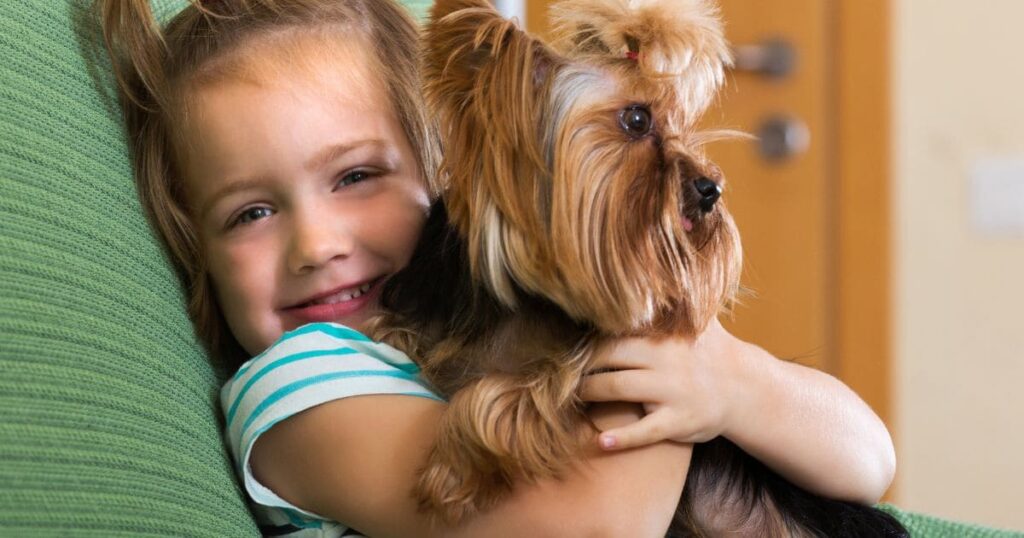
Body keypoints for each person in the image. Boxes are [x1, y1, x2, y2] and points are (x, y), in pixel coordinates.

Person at [98, 0, 896, 536]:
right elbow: (598, 526)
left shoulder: (489, 331)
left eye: (355, 178)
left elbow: (869, 460)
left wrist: (732, 380)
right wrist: (658, 333)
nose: (318, 244)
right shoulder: (300, 388)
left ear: (444, 167)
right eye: (251, 213)